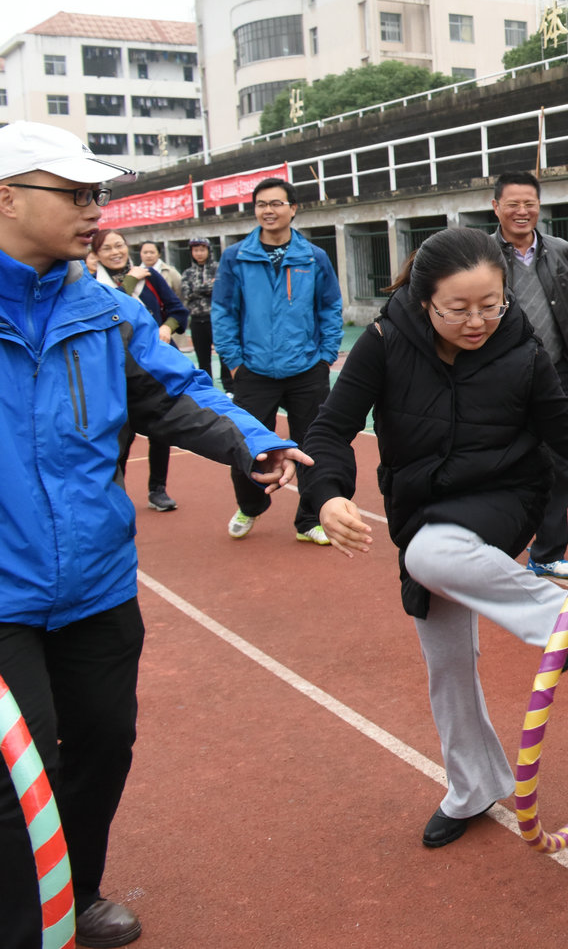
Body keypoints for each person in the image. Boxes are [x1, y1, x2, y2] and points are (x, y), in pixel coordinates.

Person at [0, 123, 305, 949]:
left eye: (96, 194)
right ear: (7, 198)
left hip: (95, 581)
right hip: (3, 596)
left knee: (104, 744)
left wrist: (255, 442)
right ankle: (28, 926)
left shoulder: (105, 310)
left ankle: (77, 892)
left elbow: (177, 392)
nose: (94, 210)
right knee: (19, 775)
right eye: (74, 194)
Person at [301, 227, 568, 850]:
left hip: (506, 495)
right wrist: (328, 494)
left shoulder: (522, 350)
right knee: (446, 663)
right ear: (424, 302)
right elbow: (330, 428)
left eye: (491, 305)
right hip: (419, 504)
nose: (477, 322)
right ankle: (473, 786)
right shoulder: (384, 342)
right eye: (458, 310)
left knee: (429, 553)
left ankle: (556, 616)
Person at [212, 176, 343, 546]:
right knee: (244, 444)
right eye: (261, 204)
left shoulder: (313, 257)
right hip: (253, 370)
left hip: (306, 369)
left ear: (293, 208)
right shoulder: (236, 257)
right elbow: (223, 312)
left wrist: (325, 357)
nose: (268, 211)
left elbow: (330, 307)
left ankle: (309, 520)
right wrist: (235, 362)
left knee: (313, 447)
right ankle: (250, 506)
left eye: (276, 203)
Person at [488, 172, 568, 578]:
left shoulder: (560, 249)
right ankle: (494, 548)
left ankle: (548, 552)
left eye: (529, 204)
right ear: (496, 207)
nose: (522, 211)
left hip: (557, 373)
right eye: (513, 204)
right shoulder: (480, 252)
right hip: (500, 374)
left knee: (560, 465)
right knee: (499, 462)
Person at [91, 229, 190, 513]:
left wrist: (166, 327)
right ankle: (116, 492)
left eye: (119, 245)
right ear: (96, 254)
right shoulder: (91, 284)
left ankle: (158, 489)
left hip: (154, 367)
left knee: (161, 431)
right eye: (107, 248)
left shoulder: (150, 275)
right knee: (119, 434)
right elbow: (106, 311)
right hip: (116, 370)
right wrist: (130, 282)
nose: (115, 252)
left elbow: (177, 310)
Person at [180, 236, 227, 394]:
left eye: (202, 250)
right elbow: (187, 294)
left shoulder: (218, 269)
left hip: (217, 319)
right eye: (195, 250)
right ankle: (208, 389)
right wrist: (207, 287)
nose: (199, 253)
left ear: (208, 250)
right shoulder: (188, 273)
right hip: (197, 320)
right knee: (203, 358)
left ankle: (229, 388)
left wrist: (198, 289)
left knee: (224, 354)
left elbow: (221, 289)